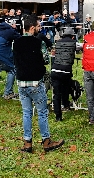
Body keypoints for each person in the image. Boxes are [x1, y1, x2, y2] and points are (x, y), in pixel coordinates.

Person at [13, 15, 64, 153]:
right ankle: (46, 141)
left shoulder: (15, 42)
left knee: (27, 113)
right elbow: (46, 60)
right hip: (35, 81)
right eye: (38, 26)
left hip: (21, 82)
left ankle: (27, 142)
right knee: (42, 112)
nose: (39, 29)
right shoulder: (38, 42)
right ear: (31, 28)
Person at [51, 27, 77, 121]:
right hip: (66, 70)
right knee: (66, 87)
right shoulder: (73, 43)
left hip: (55, 69)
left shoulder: (58, 42)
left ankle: (58, 116)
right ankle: (66, 104)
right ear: (72, 36)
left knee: (56, 94)